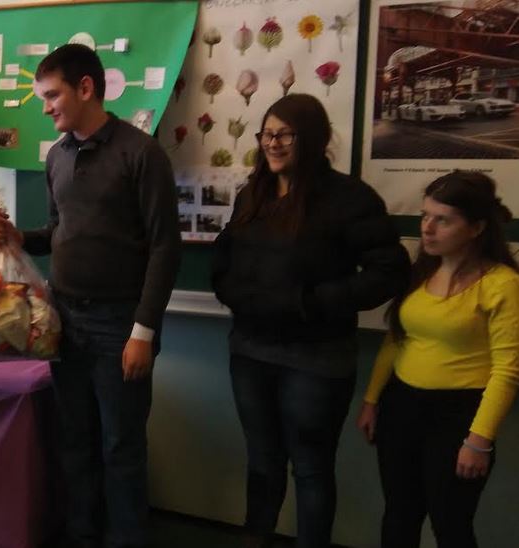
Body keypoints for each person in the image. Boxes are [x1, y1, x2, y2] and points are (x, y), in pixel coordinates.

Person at [0, 44, 181, 548]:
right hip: (64, 321)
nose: (46, 107)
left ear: (86, 88)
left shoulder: (142, 154)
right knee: (74, 441)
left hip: (121, 325)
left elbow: (165, 247)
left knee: (120, 447)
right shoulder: (57, 157)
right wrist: (18, 239)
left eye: (52, 96)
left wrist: (143, 331)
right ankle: (82, 535)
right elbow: (59, 231)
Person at [210, 94, 409, 548]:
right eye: (266, 134)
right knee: (262, 461)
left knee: (311, 468)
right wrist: (230, 291)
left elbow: (390, 270)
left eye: (284, 134)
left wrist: (312, 302)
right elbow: (224, 258)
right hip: (250, 351)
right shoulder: (253, 194)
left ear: (313, 138)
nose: (272, 143)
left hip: (316, 359)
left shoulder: (348, 198)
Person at [356, 171, 519, 548]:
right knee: (399, 514)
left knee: (451, 523)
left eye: (442, 220)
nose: (426, 228)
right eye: (425, 215)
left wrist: (478, 441)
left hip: (458, 416)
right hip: (401, 407)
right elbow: (397, 339)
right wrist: (371, 400)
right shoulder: (422, 271)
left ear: (476, 227)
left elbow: (507, 370)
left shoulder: (502, 285)